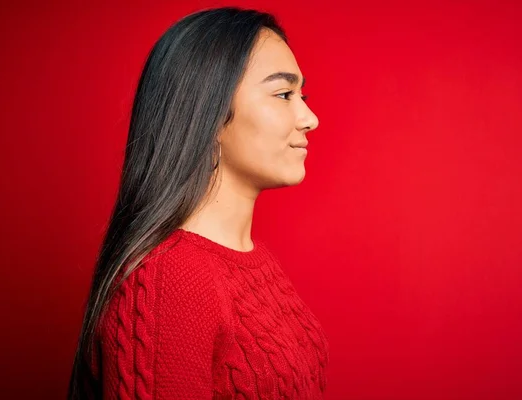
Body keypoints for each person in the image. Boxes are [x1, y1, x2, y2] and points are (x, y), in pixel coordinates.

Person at [68, 6, 329, 399]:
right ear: (206, 111)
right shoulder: (170, 277)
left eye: (302, 94)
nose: (309, 118)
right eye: (283, 94)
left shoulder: (250, 261)